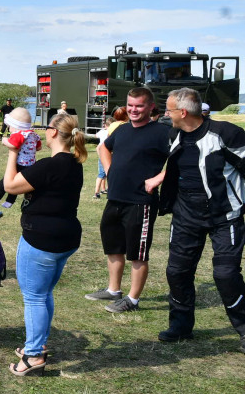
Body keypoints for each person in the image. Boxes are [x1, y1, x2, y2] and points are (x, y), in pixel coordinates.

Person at [157, 88, 245, 354]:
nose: (166, 114)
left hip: (225, 216)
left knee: (226, 275)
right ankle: (181, 325)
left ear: (182, 112)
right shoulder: (174, 135)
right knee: (177, 271)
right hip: (186, 215)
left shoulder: (227, 134)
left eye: (169, 110)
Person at [4, 114, 87, 375]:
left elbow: (10, 185)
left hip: (42, 239)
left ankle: (33, 356)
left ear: (53, 133)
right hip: (66, 237)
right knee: (44, 293)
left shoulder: (49, 166)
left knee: (34, 297)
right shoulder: (75, 162)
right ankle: (36, 344)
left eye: (46, 127)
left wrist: (12, 152)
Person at [85, 88, 170, 314]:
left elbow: (182, 158)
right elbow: (103, 147)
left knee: (137, 253)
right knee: (113, 246)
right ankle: (114, 290)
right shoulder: (122, 130)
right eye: (130, 105)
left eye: (139, 105)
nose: (133, 109)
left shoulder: (162, 132)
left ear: (151, 106)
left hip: (140, 202)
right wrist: (110, 169)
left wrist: (159, 178)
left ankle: (132, 299)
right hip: (115, 198)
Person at [0, 107, 40, 209]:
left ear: (16, 126)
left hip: (20, 164)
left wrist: (4, 141)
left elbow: (13, 145)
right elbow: (39, 147)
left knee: (4, 183)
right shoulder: (33, 134)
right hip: (31, 164)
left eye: (10, 126)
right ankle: (9, 202)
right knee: (16, 183)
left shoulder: (19, 134)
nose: (9, 129)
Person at [93, 116, 113, 199]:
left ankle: (103, 189)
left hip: (102, 155)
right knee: (102, 174)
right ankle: (96, 192)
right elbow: (100, 147)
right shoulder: (109, 134)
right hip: (105, 156)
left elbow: (95, 136)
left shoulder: (103, 131)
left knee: (104, 174)